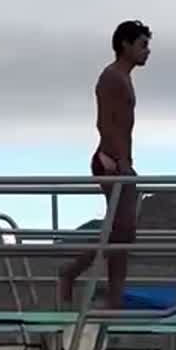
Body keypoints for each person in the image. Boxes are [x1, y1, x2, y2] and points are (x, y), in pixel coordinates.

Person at [60, 20, 151, 308]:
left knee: (123, 234)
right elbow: (104, 122)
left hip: (122, 161)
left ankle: (114, 297)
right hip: (110, 161)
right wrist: (120, 160)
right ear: (126, 44)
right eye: (142, 45)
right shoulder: (111, 77)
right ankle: (71, 273)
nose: (147, 51)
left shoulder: (123, 77)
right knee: (121, 233)